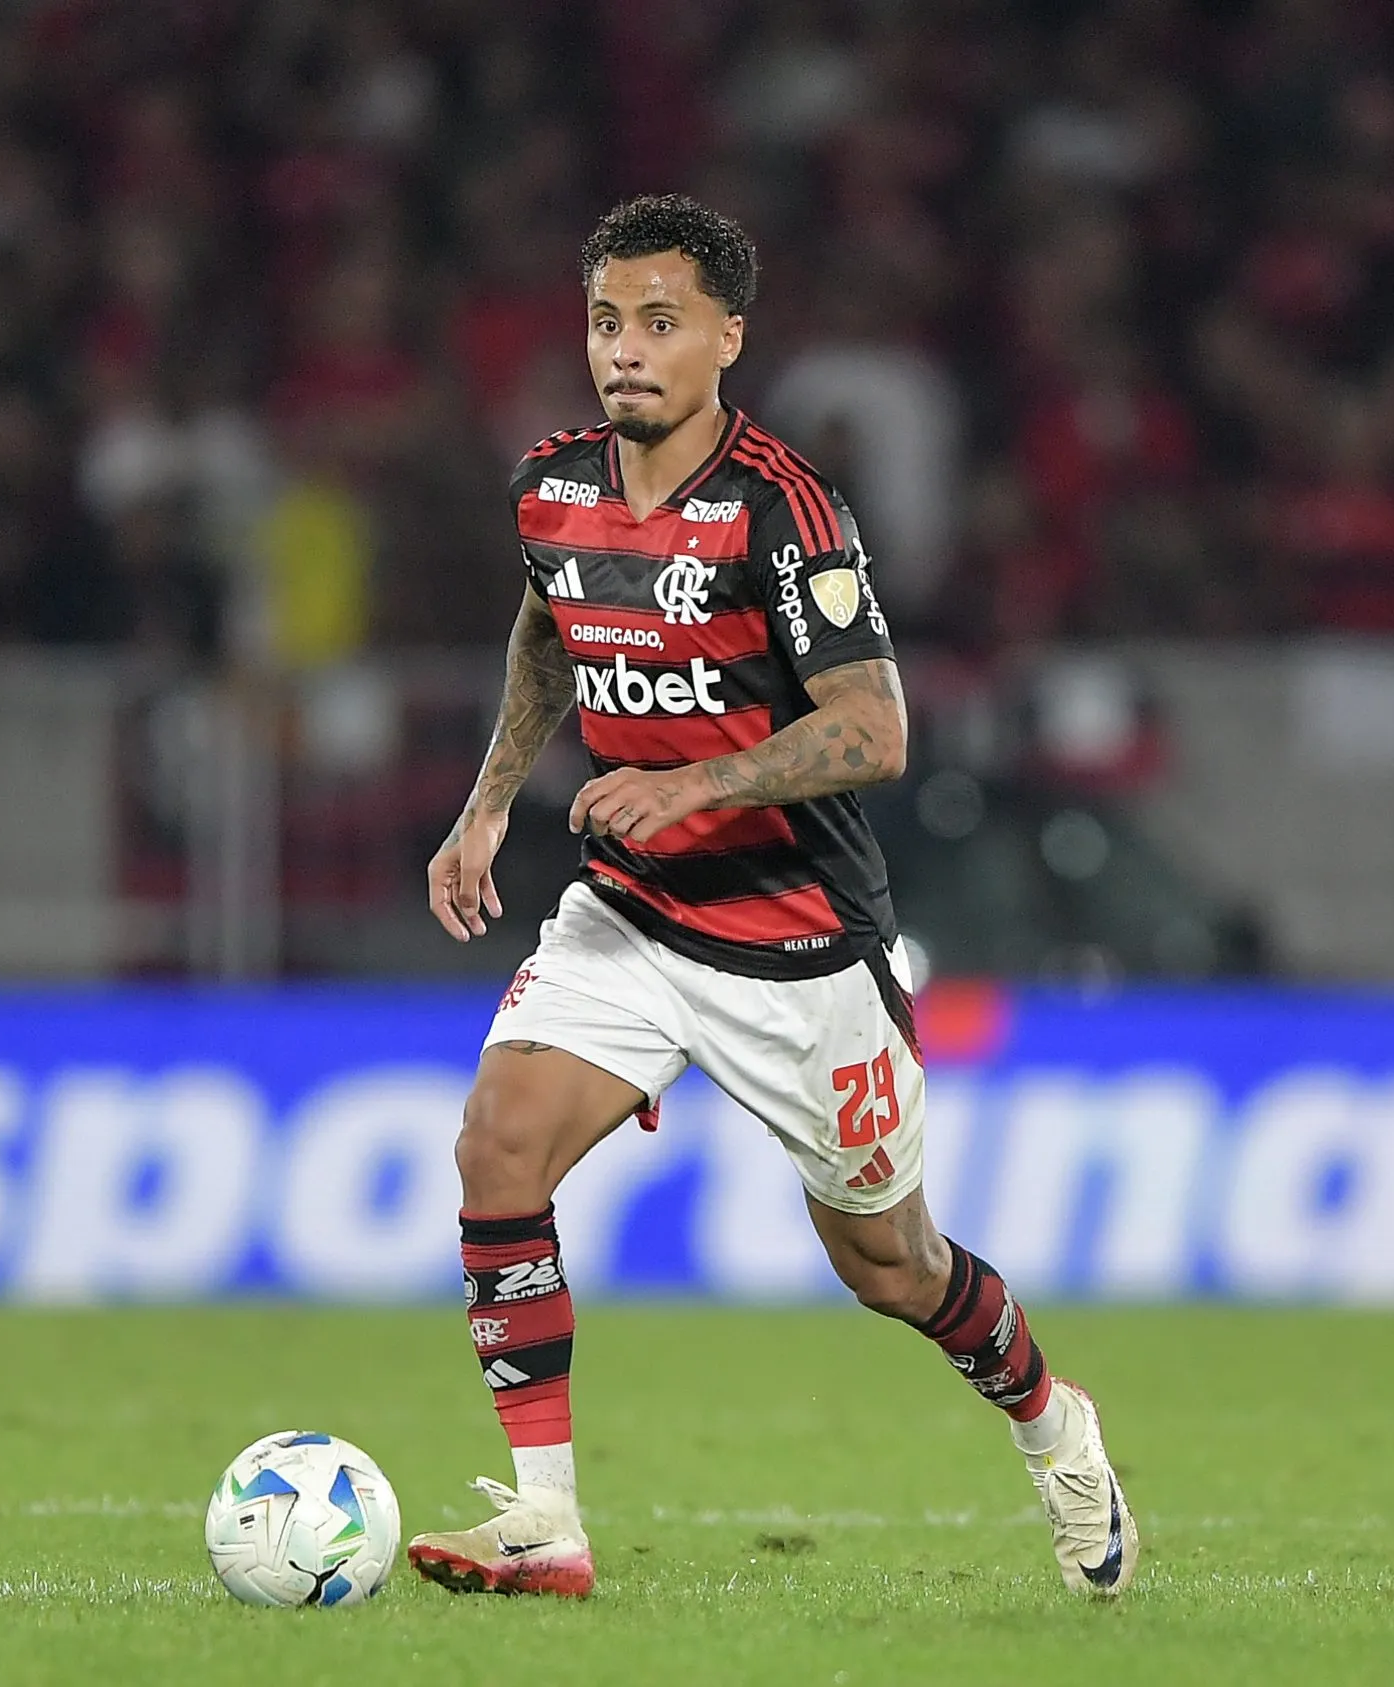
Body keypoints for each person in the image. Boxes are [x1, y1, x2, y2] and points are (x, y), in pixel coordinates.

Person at [408, 196, 1136, 1601]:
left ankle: (1057, 1425)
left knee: (893, 1263)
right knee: (497, 1148)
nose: (627, 348)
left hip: (795, 945)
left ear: (727, 337)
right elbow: (552, 624)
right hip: (625, 913)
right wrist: (493, 795)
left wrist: (691, 785)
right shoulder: (551, 487)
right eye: (609, 320)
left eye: (662, 321)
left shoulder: (783, 511)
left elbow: (875, 730)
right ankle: (547, 1520)